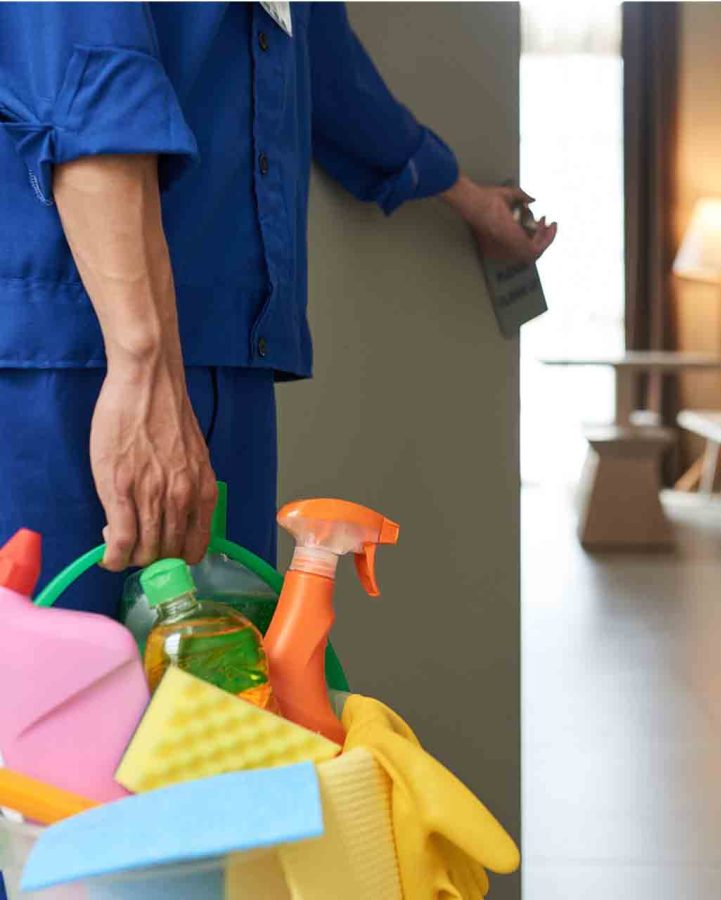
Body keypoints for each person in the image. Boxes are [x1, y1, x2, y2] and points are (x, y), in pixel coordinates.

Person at [0, 3, 557, 621]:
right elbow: (91, 86)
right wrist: (144, 370)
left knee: (226, 697)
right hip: (78, 357)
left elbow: (329, 73)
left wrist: (469, 199)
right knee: (63, 690)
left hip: (231, 358)